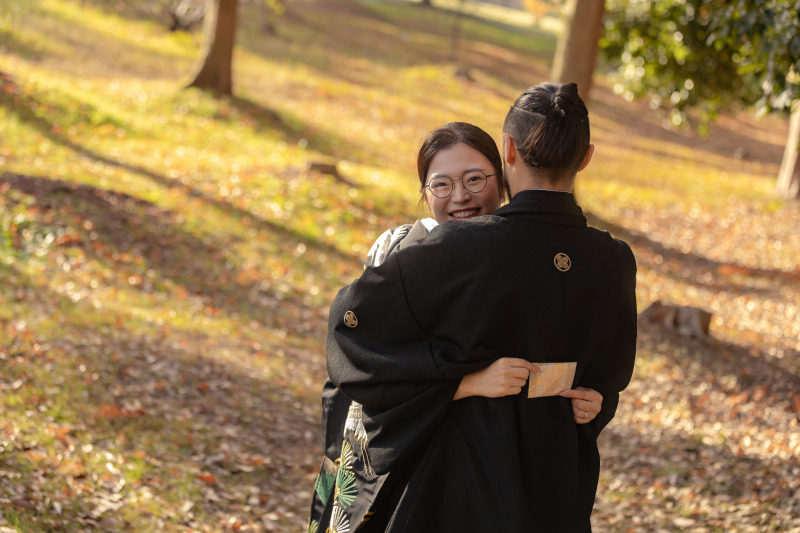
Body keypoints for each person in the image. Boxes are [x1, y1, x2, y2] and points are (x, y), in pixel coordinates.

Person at [325, 82, 637, 532]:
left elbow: (352, 329)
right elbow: (609, 371)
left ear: (507, 151)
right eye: (443, 184)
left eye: (474, 179)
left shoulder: (460, 247)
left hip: (462, 479)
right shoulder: (614, 259)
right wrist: (598, 400)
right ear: (586, 157)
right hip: (557, 482)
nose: (461, 196)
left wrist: (592, 397)